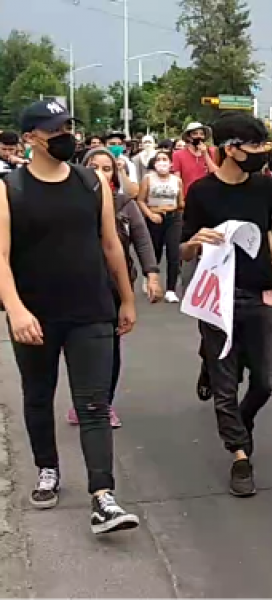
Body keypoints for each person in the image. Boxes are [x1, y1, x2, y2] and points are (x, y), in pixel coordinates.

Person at [0, 100, 140, 533]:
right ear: (30, 138)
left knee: (95, 404)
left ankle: (103, 496)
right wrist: (16, 309)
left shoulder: (92, 182)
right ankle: (48, 468)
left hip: (91, 310)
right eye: (53, 129)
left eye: (67, 127)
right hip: (35, 316)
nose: (65, 135)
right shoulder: (9, 189)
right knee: (39, 396)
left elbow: (112, 245)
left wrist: (127, 299)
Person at [180, 113, 272, 497]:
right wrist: (196, 241)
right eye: (255, 146)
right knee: (226, 386)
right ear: (231, 149)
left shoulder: (264, 186)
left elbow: (261, 231)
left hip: (260, 293)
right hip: (218, 298)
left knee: (265, 379)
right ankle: (240, 455)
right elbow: (183, 249)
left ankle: (240, 422)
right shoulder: (201, 193)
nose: (263, 154)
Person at [80, 146, 162, 428]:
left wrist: (152, 274)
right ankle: (85, 399)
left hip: (114, 287)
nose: (100, 174)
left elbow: (141, 240)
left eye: (107, 168)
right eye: (94, 167)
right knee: (81, 348)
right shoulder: (72, 202)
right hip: (78, 287)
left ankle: (103, 403)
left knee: (109, 347)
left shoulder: (124, 203)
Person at [136, 150, 184, 303]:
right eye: (159, 159)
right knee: (155, 251)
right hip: (155, 217)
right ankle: (150, 279)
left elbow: (180, 201)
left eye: (165, 159)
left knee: (174, 253)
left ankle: (171, 289)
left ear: (170, 163)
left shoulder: (177, 180)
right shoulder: (148, 179)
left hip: (173, 217)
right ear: (154, 163)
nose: (162, 162)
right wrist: (150, 214)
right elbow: (140, 200)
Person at [172, 122, 218, 193]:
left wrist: (205, 154)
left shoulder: (212, 152)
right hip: (188, 194)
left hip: (207, 194)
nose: (198, 136)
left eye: (201, 134)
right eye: (195, 134)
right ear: (189, 137)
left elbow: (216, 173)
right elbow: (177, 180)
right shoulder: (178, 155)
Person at [104, 132, 139, 197]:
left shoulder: (128, 163)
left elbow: (134, 193)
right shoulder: (97, 161)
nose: (116, 147)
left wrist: (122, 171)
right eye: (112, 144)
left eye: (119, 144)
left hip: (121, 201)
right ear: (105, 145)